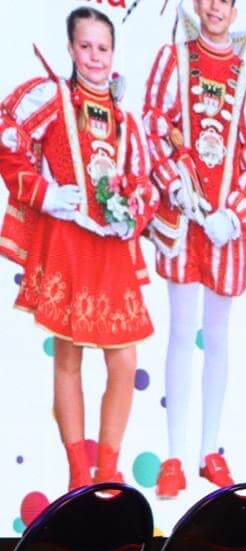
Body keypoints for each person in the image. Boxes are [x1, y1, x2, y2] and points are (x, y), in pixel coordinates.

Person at [0, 7, 157, 492]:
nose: (95, 57)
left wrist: (132, 210)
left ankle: (107, 472)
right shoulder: (52, 99)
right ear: (70, 49)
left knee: (124, 363)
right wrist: (43, 192)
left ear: (114, 53)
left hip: (111, 253)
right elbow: (7, 136)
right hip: (68, 245)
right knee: (68, 359)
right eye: (85, 46)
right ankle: (76, 475)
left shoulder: (125, 118)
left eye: (103, 48)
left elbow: (142, 181)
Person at [142, 0, 246, 497]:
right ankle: (174, 456)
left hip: (225, 231)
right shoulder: (173, 60)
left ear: (234, 12)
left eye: (225, 1)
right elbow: (153, 125)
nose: (215, 7)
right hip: (184, 221)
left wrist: (233, 214)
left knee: (217, 336)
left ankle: (208, 451)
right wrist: (175, 186)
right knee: (181, 331)